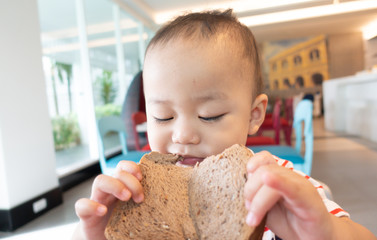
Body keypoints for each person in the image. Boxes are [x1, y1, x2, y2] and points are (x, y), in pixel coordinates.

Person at [72, 9, 376, 240]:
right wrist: (102, 231)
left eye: (210, 115)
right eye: (163, 116)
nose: (183, 134)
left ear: (254, 115)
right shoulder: (134, 192)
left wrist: (324, 231)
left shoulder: (279, 184)